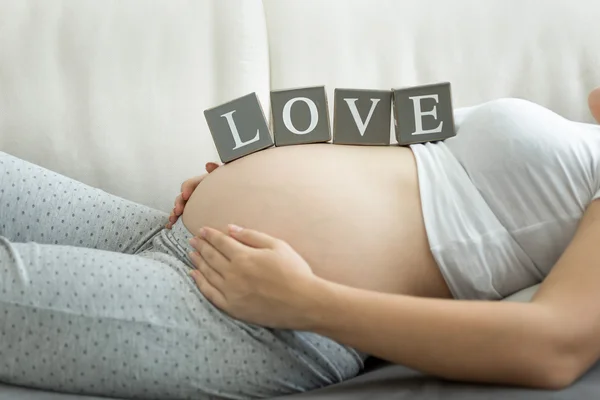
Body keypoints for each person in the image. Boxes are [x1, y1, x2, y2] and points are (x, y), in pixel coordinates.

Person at [0, 90, 598, 400]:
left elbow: (553, 347)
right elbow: (396, 151)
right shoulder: (575, 130)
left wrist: (304, 300)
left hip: (262, 322)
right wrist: (246, 172)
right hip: (176, 230)